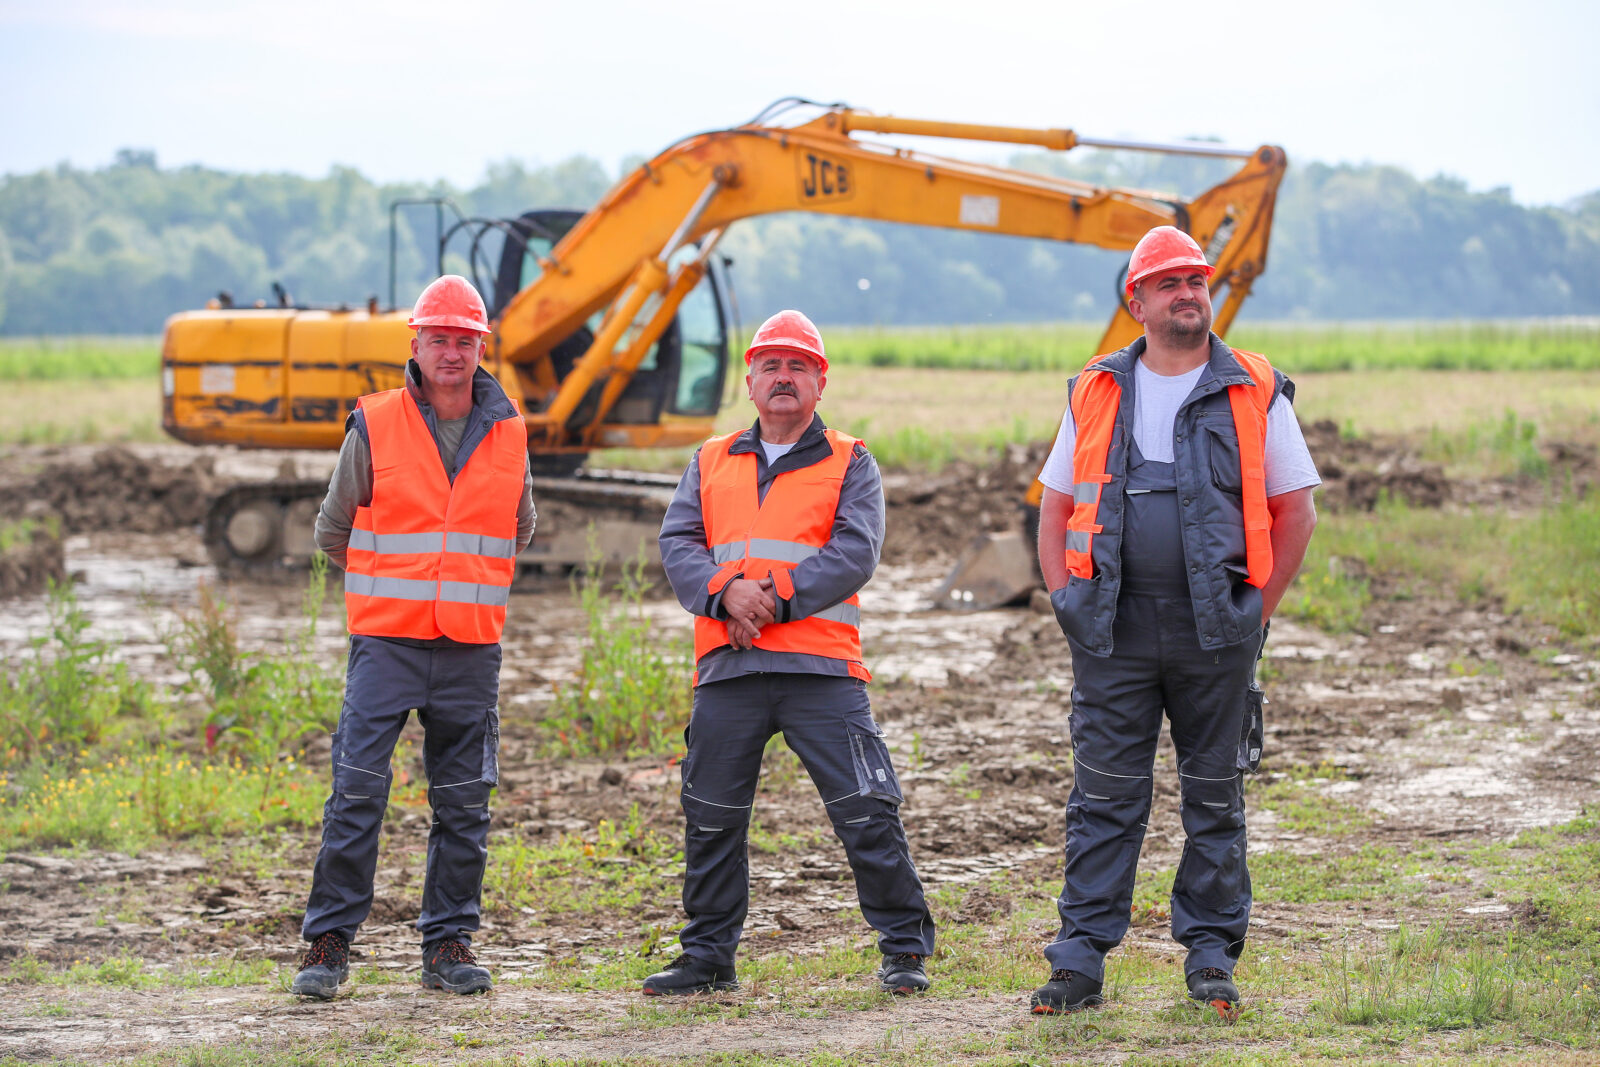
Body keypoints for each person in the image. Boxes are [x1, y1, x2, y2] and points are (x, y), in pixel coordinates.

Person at [1029, 227, 1319, 1017]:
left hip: (1215, 630)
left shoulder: (1253, 387)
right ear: (1138, 301)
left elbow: (1295, 510)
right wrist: (1068, 601)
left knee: (1214, 796)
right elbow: (1054, 507)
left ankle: (1212, 957)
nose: (1189, 291)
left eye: (1197, 279)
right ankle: (1079, 960)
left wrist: (1258, 607)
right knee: (1104, 796)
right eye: (1170, 282)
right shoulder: (1096, 388)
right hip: (1112, 633)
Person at [650, 309, 936, 996]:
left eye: (797, 365)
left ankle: (905, 948)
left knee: (867, 807)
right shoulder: (710, 459)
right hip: (730, 664)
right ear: (749, 380)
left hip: (820, 667)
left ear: (819, 381)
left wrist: (769, 596)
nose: (783, 376)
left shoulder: (850, 459)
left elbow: (854, 551)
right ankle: (708, 955)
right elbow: (678, 543)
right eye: (771, 365)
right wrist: (725, 593)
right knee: (712, 815)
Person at [290, 275, 536, 1000]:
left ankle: (448, 943)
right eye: (441, 339)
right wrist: (393, 586)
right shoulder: (376, 422)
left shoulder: (508, 429)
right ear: (417, 345)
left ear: (480, 347)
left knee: (463, 801)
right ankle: (328, 942)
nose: (453, 352)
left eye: (465, 340)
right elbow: (333, 530)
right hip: (387, 646)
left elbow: (519, 527)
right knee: (357, 791)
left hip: (468, 648)